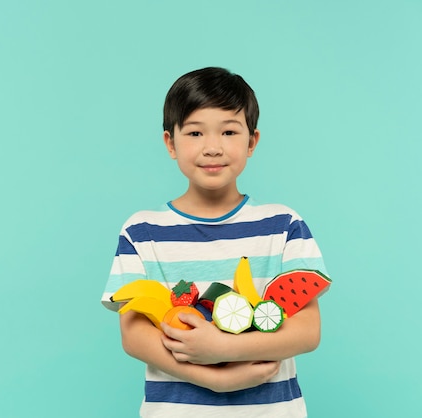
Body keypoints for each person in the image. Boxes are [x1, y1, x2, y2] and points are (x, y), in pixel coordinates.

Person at [101, 67, 329, 417]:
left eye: (228, 131)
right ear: (170, 143)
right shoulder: (141, 231)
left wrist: (222, 346)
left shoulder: (284, 225)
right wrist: (214, 378)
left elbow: (307, 332)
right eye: (194, 132)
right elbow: (133, 336)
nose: (212, 147)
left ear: (251, 142)